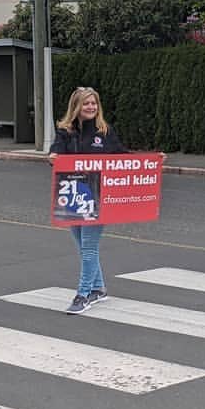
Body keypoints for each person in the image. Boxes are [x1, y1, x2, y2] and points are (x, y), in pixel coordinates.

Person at [49, 87, 127, 315]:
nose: (91, 107)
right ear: (77, 106)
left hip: (98, 196)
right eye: (86, 103)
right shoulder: (65, 131)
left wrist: (150, 162)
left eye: (94, 103)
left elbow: (121, 156)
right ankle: (98, 288)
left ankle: (83, 295)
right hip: (73, 194)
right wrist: (52, 157)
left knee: (89, 247)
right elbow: (57, 151)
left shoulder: (105, 131)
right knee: (83, 247)